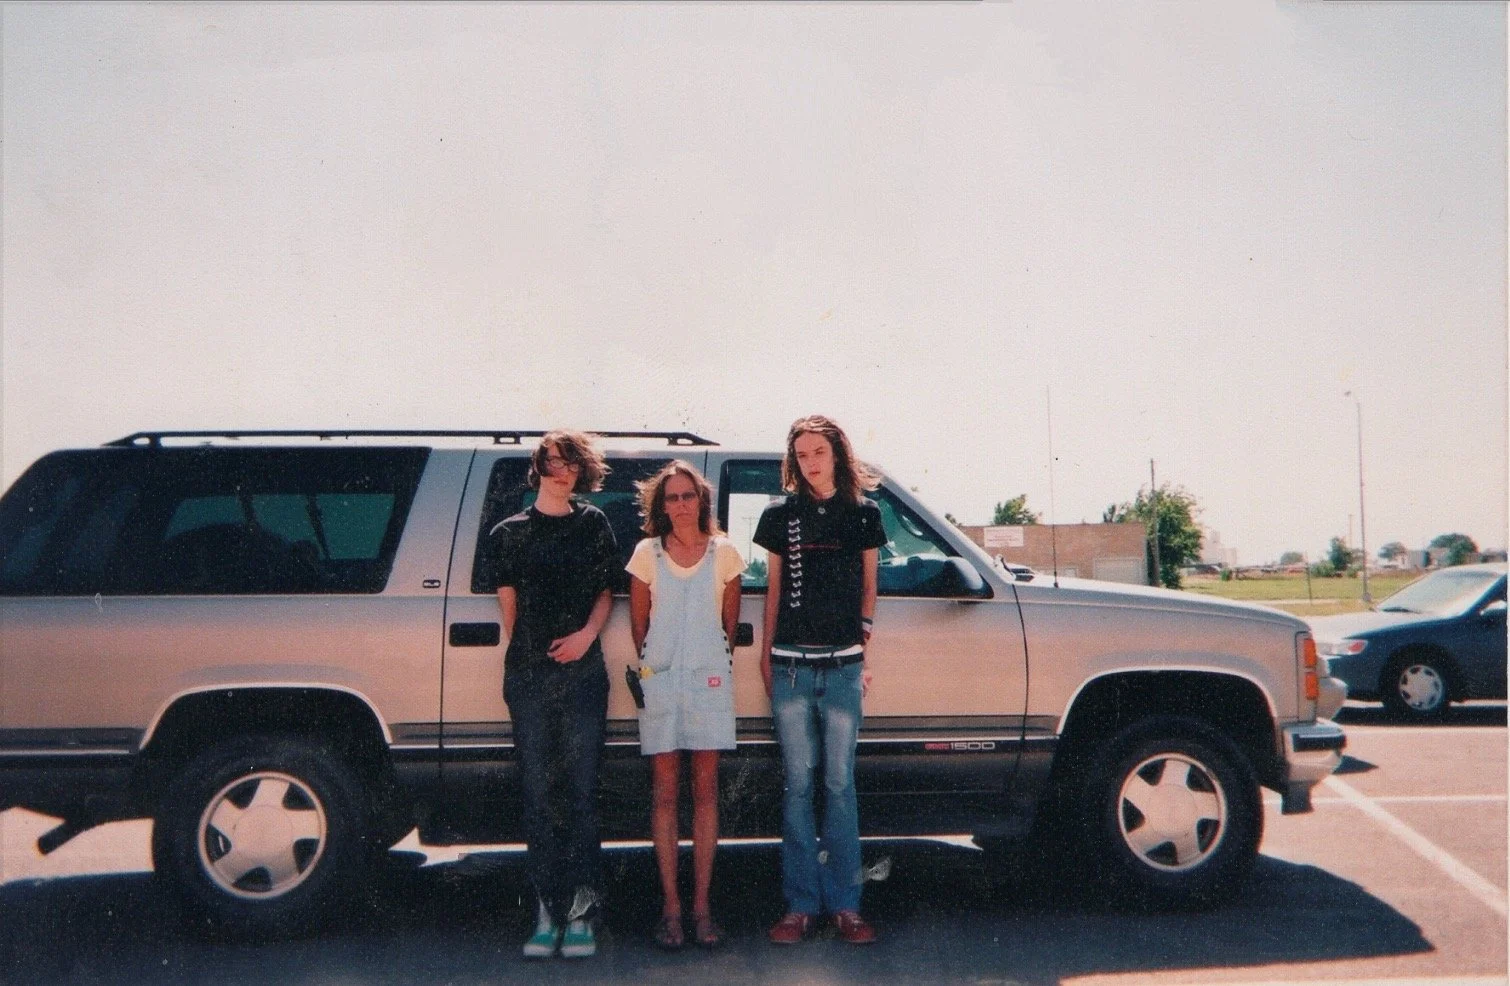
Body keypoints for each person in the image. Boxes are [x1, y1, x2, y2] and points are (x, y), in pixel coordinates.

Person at [753, 415, 886, 946]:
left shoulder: (864, 513)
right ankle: (801, 905)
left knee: (839, 785)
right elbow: (773, 590)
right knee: (799, 787)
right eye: (802, 454)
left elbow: (871, 584)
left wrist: (862, 644)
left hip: (844, 668)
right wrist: (766, 654)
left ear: (837, 454)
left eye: (819, 453)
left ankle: (846, 906)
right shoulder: (778, 515)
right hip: (789, 665)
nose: (811, 463)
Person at [491, 430, 617, 960]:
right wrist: (535, 654)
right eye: (550, 463)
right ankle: (546, 910)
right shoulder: (508, 532)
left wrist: (586, 636)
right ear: (537, 469)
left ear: (581, 470)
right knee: (540, 797)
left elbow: (606, 592)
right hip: (529, 679)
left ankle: (582, 915)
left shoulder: (594, 524)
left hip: (585, 676)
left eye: (569, 464)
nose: (559, 472)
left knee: (584, 793)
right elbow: (509, 606)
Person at [626, 460, 745, 950]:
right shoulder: (646, 554)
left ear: (702, 501)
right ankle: (671, 909)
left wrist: (703, 668)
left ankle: (702, 908)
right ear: (661, 505)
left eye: (687, 496)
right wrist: (663, 671)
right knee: (665, 797)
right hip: (662, 684)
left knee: (706, 795)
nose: (679, 506)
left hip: (709, 684)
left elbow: (729, 628)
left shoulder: (725, 554)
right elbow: (640, 627)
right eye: (671, 498)